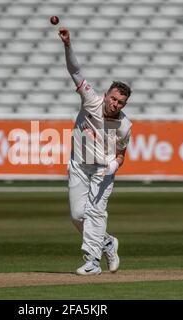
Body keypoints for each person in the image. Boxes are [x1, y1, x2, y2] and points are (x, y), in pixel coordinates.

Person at [58, 27, 132, 275]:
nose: (115, 104)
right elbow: (75, 71)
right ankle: (108, 243)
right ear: (106, 94)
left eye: (121, 102)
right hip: (79, 165)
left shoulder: (124, 126)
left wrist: (114, 165)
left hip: (102, 170)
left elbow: (121, 153)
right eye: (113, 98)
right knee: (78, 215)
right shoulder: (91, 100)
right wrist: (68, 45)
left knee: (95, 212)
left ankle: (92, 262)